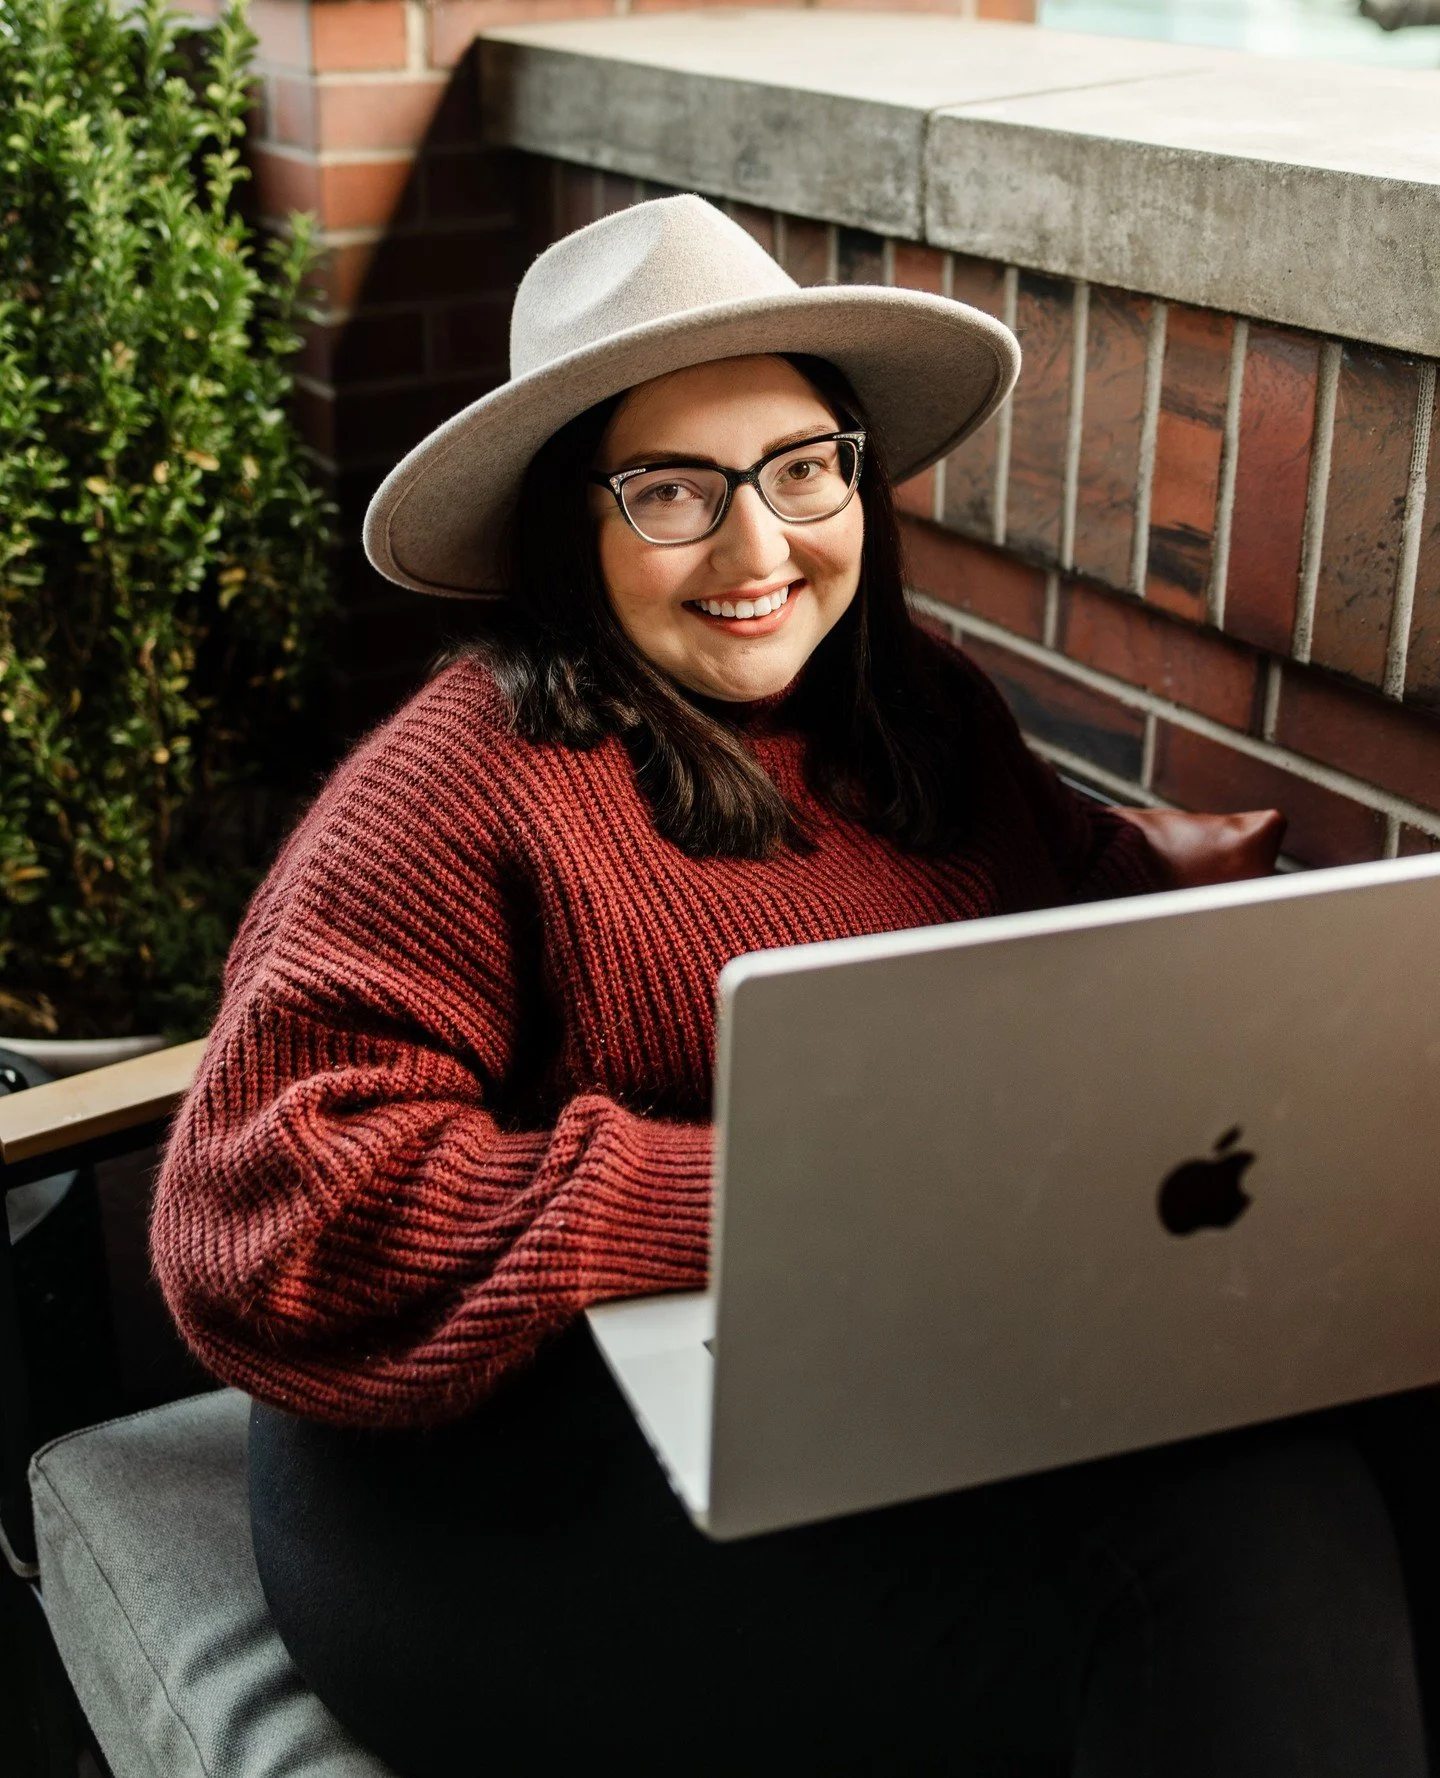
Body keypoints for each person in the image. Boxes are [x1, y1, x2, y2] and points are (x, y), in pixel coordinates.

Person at [151, 197, 1427, 1776]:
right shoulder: (459, 786)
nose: (760, 549)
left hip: (850, 1366)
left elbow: (1100, 917)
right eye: (674, 491)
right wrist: (769, 1196)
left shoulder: (919, 716)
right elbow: (260, 1217)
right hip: (483, 1478)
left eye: (803, 468)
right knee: (1236, 1531)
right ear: (571, 522)